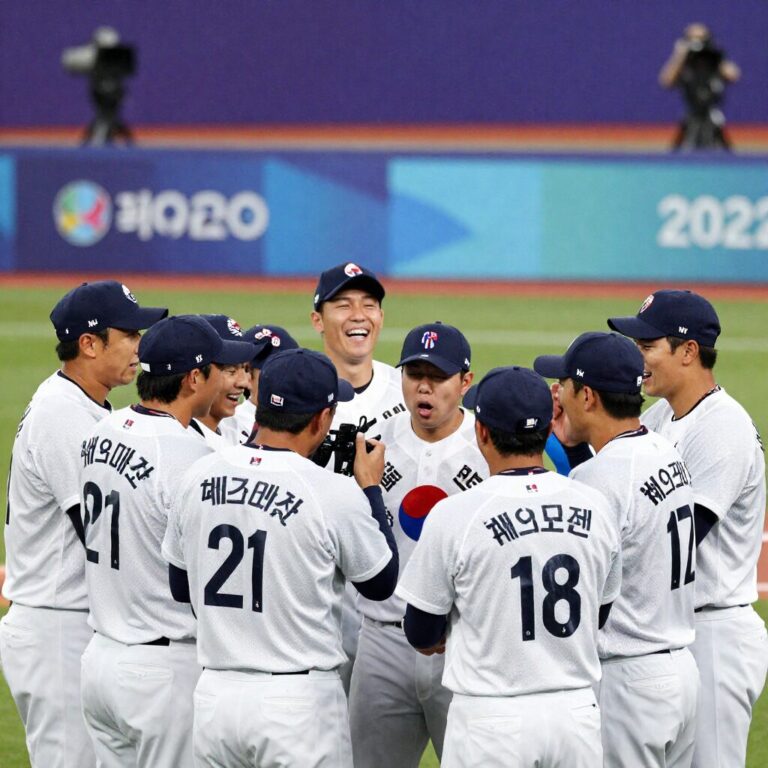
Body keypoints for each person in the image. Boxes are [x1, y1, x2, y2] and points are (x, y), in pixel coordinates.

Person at [161, 348, 399, 767]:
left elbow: (182, 588)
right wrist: (370, 490)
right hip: (297, 706)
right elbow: (380, 583)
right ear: (322, 419)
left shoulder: (197, 474)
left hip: (217, 696)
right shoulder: (331, 492)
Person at [396, 366, 622, 768]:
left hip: (491, 722)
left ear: (481, 432)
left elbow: (420, 631)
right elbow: (598, 613)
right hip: (575, 715)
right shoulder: (595, 505)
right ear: (548, 430)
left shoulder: (455, 514)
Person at [0, 280, 167, 768]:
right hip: (55, 624)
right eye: (130, 335)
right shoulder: (63, 414)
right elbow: (99, 535)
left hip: (74, 620)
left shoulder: (84, 404)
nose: (141, 345)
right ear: (90, 344)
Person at [79, 315, 254, 768]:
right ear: (195, 378)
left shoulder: (100, 432)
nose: (227, 378)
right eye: (219, 369)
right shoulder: (189, 459)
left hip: (99, 659)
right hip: (159, 671)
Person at [608, 289, 768, 768]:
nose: (639, 359)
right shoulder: (660, 418)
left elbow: (677, 534)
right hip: (674, 629)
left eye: (647, 346)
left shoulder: (723, 428)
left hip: (714, 629)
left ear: (688, 351)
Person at [534, 331, 699, 767]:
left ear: (586, 396)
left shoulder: (601, 478)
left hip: (630, 679)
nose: (557, 393)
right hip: (681, 671)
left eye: (564, 384)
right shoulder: (664, 449)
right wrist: (571, 446)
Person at [349, 322, 487, 768]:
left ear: (465, 382)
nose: (424, 387)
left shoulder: (488, 445)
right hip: (383, 639)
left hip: (461, 642)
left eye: (438, 376)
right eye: (414, 374)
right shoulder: (375, 441)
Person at [311, 261, 406, 690]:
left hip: (392, 585)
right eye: (343, 305)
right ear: (318, 320)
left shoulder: (409, 386)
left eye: (369, 305)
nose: (358, 315)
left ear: (381, 318)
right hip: (318, 580)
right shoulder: (297, 390)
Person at [659, 23, 740, 150]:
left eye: (702, 40)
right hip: (691, 116)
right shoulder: (683, 65)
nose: (697, 44)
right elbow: (666, 81)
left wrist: (714, 56)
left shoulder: (714, 60)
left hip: (711, 116)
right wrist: (680, 55)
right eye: (692, 39)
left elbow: (734, 75)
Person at [218, 323, 299, 445]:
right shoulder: (231, 425)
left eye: (292, 368)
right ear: (248, 376)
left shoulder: (311, 418)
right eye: (275, 371)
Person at [190, 314, 252, 450]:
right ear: (196, 375)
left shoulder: (239, 428)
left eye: (245, 368)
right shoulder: (185, 446)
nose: (244, 383)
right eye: (231, 370)